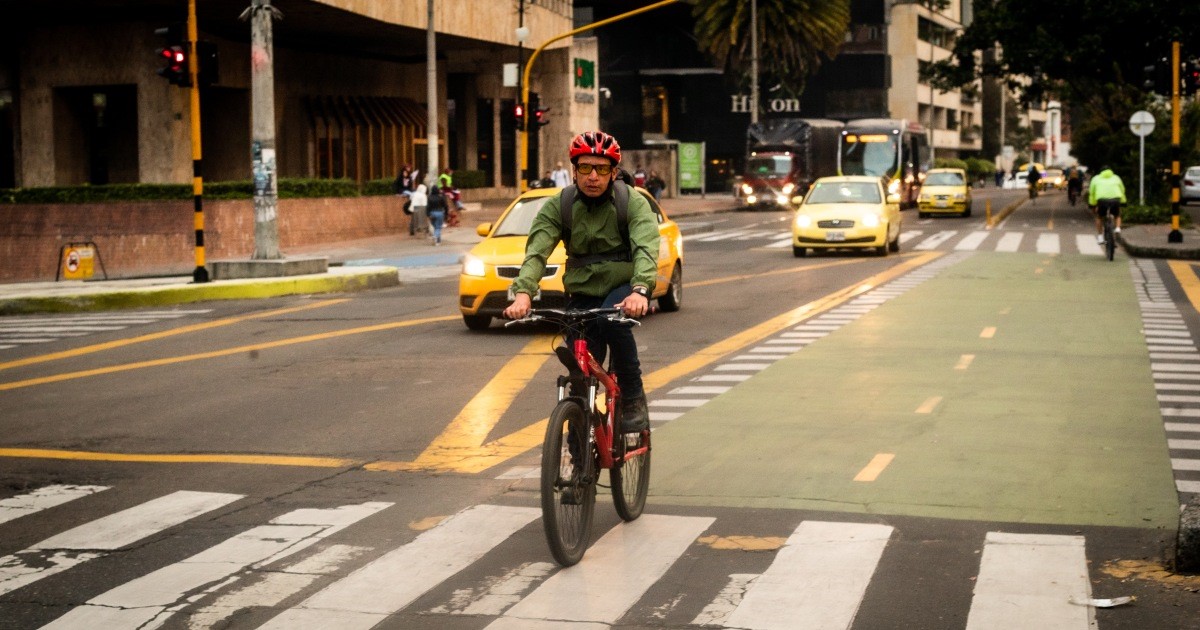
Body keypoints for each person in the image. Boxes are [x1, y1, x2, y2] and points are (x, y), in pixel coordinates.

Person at [502, 131, 658, 433]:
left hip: (622, 288)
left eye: (601, 169)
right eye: (585, 168)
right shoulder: (559, 205)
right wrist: (523, 294)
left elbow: (646, 248)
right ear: (574, 170)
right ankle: (577, 461)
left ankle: (633, 398)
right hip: (581, 291)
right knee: (579, 376)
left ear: (613, 172)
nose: (593, 177)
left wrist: (640, 291)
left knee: (613, 323)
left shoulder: (632, 203)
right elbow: (537, 252)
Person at [1088, 165, 1126, 244]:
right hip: (1115, 199)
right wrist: (1123, 202)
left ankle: (1100, 237)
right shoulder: (1116, 177)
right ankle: (1118, 228)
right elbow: (1122, 190)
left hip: (1102, 200)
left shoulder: (1096, 178)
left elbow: (1092, 192)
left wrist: (1092, 205)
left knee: (1099, 217)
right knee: (1117, 215)